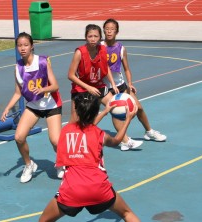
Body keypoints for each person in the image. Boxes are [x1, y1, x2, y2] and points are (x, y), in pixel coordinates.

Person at [39, 93, 140, 222]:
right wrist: (128, 119)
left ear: (76, 110)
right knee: (127, 214)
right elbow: (116, 140)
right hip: (98, 188)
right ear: (95, 112)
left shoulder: (65, 131)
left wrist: (103, 113)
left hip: (72, 190)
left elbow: (84, 127)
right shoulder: (99, 134)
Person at [67, 24, 143, 151]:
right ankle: (67, 150)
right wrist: (88, 87)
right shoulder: (79, 52)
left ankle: (125, 140)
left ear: (99, 37)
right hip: (81, 89)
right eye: (90, 36)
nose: (93, 39)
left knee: (115, 106)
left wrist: (112, 83)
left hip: (98, 86)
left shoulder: (102, 49)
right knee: (74, 123)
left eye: (96, 36)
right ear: (85, 37)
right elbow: (70, 75)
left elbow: (105, 67)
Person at [0, 32, 63, 183]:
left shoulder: (42, 62)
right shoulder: (18, 67)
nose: (22, 48)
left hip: (51, 105)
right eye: (19, 45)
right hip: (33, 106)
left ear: (32, 46)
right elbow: (18, 92)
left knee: (55, 140)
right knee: (19, 137)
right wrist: (7, 108)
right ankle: (29, 165)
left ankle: (62, 164)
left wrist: (43, 89)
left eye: (26, 45)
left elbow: (55, 86)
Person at [102, 18, 167, 144]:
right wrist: (112, 85)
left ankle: (149, 132)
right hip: (107, 86)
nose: (109, 31)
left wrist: (130, 83)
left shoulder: (121, 48)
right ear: (104, 30)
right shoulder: (100, 47)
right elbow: (104, 68)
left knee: (138, 108)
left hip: (121, 84)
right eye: (107, 29)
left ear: (117, 32)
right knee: (115, 113)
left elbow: (126, 68)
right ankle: (124, 141)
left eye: (112, 29)